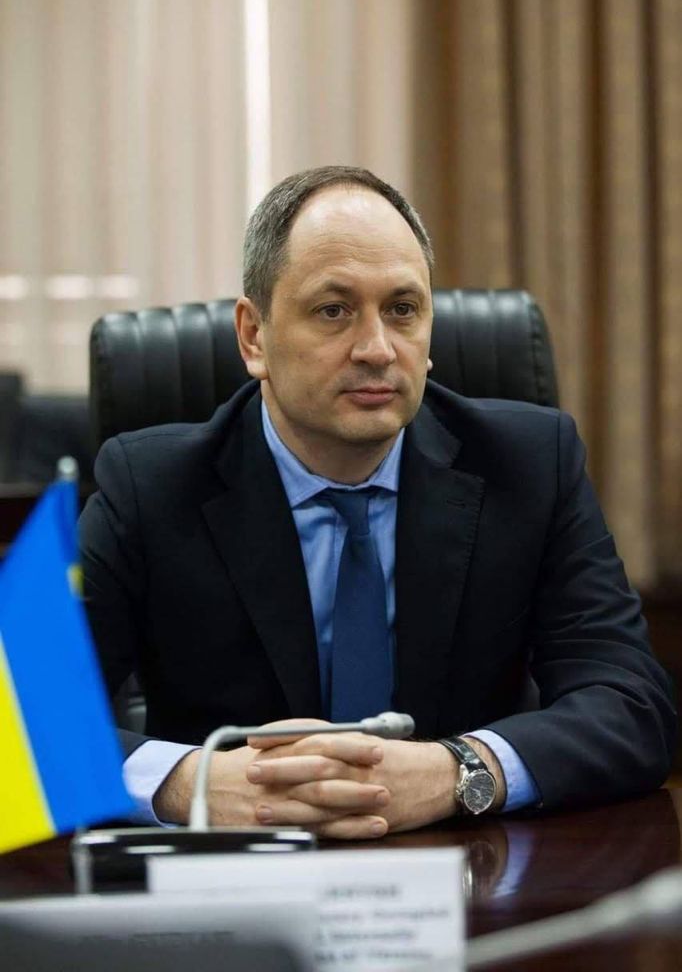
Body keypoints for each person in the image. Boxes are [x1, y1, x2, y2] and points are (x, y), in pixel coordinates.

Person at [80, 166, 676, 839]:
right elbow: (19, 722)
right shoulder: (149, 487)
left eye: (402, 309)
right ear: (253, 336)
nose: (376, 349)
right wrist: (189, 783)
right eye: (333, 311)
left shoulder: (531, 465)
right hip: (231, 878)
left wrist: (460, 771)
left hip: (472, 872)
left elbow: (633, 707)